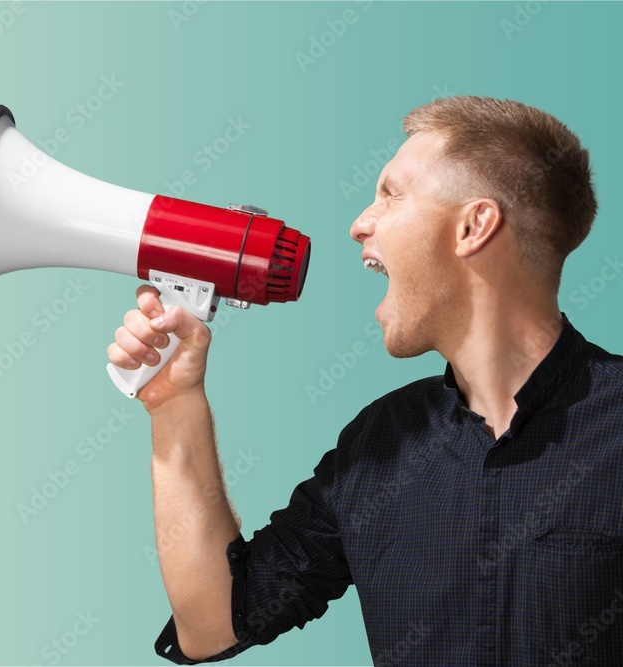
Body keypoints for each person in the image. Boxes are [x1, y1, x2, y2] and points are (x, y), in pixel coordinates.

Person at [106, 96, 623, 665]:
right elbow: (213, 625)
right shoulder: (381, 443)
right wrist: (175, 404)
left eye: (391, 193)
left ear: (473, 226)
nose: (359, 225)